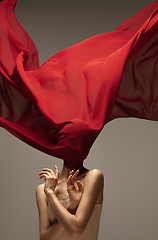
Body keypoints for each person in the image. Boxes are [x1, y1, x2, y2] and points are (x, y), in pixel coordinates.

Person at [36, 163, 104, 240]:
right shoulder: (42, 190)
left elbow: (76, 229)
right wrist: (71, 207)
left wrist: (50, 194)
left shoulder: (93, 176)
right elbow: (45, 239)